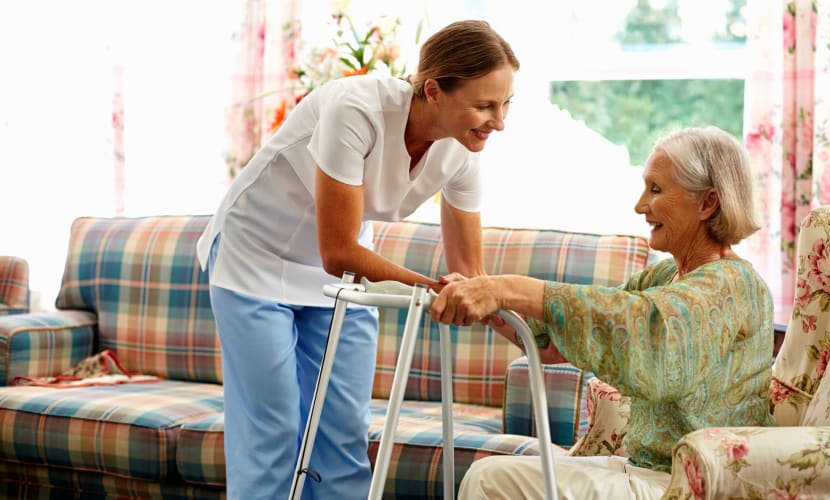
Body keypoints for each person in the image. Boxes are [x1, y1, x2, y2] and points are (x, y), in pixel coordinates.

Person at [195, 20, 519, 500]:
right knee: (275, 427)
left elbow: (470, 275)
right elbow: (340, 250)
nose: (499, 120)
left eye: (506, 103)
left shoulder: (463, 153)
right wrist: (430, 290)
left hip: (341, 280)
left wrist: (529, 335)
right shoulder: (356, 109)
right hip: (255, 258)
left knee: (343, 429)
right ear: (434, 91)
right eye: (484, 104)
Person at [430, 126, 775, 499]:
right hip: (647, 470)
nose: (640, 205)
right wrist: (489, 304)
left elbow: (644, 329)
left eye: (656, 190)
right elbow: (556, 342)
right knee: (489, 472)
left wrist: (506, 288)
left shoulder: (733, 284)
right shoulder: (666, 275)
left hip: (693, 484)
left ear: (707, 203)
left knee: (489, 481)